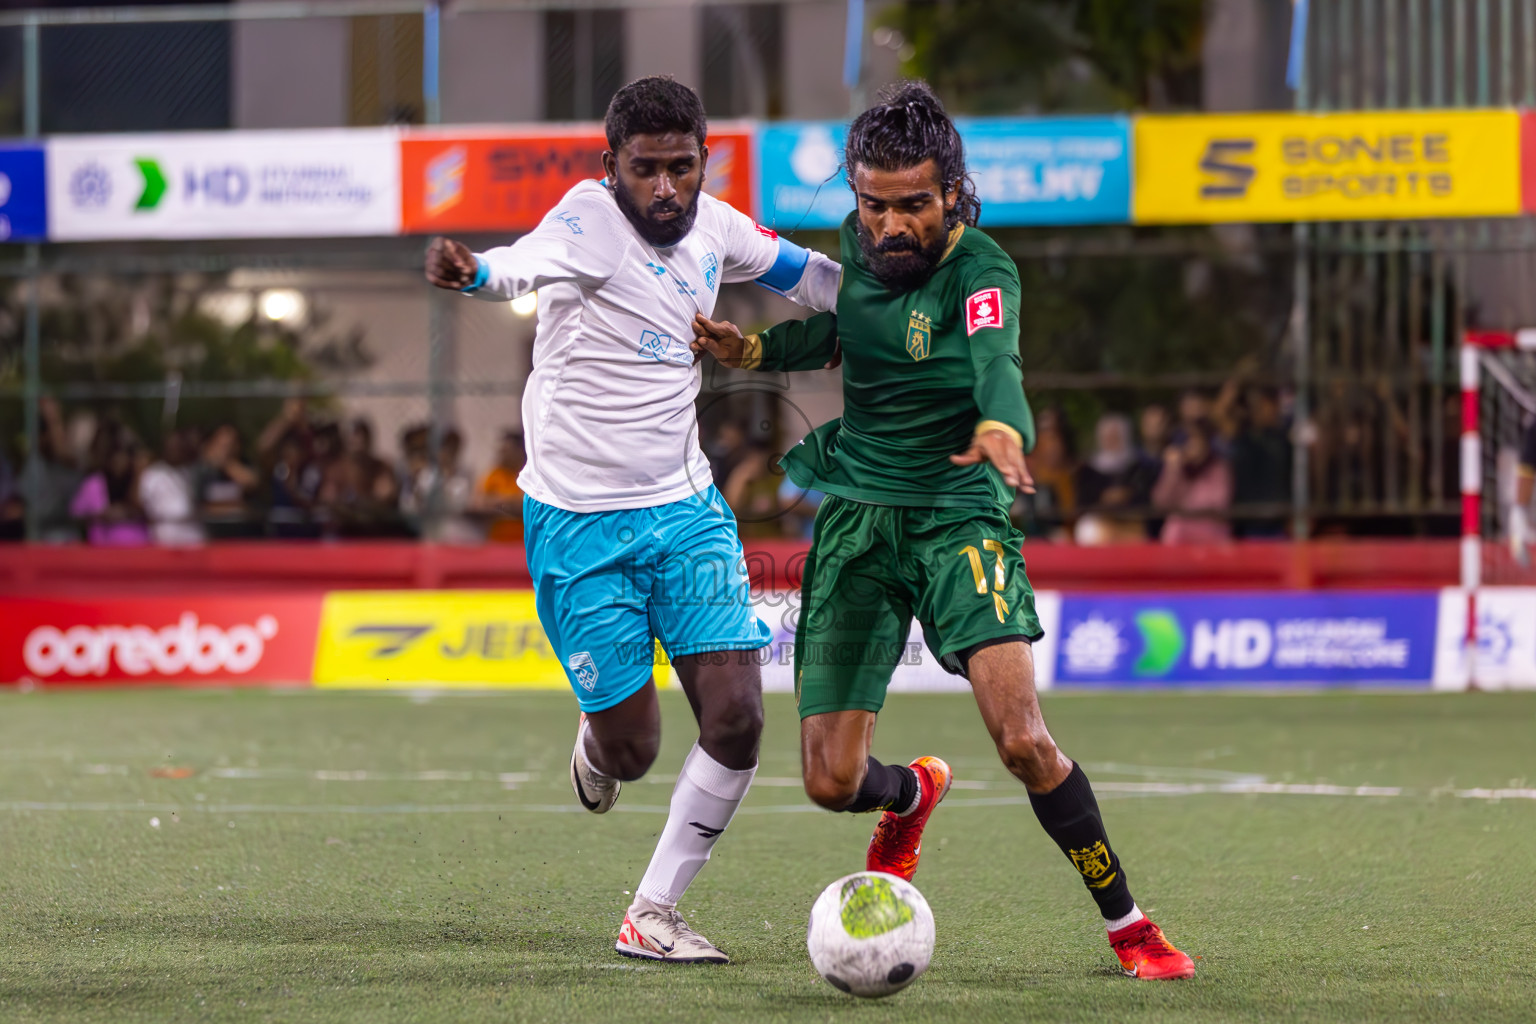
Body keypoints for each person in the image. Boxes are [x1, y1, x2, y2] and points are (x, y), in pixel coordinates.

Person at [691, 81, 1193, 981]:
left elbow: (997, 358)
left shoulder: (983, 270)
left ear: (952, 193)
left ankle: (1130, 925)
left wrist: (1006, 425)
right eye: (873, 206)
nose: (889, 227)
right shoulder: (859, 245)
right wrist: (757, 351)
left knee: (1023, 740)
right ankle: (913, 793)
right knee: (829, 783)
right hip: (854, 527)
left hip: (959, 520)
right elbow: (845, 331)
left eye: (913, 205)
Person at [424, 75, 839, 963]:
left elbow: (809, 277)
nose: (665, 189)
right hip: (578, 527)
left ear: (701, 163)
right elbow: (520, 265)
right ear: (610, 166)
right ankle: (596, 739)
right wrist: (475, 274)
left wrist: (906, 300)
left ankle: (651, 913)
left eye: (681, 169)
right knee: (635, 751)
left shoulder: (717, 225)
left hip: (686, 513)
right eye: (645, 170)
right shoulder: (587, 220)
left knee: (735, 720)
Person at [1074, 412, 1157, 545]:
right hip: (1100, 522)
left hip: (1130, 522)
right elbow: (1081, 503)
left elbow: (1146, 500)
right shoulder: (1088, 470)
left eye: (1115, 437)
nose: (1111, 441)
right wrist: (1104, 499)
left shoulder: (1138, 467)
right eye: (1108, 437)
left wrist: (1126, 495)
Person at [1151, 417, 1233, 545]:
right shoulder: (1176, 468)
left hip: (1211, 536)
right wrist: (1172, 471)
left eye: (1195, 438)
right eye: (1187, 439)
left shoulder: (1218, 467)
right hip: (1179, 538)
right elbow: (1161, 502)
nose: (1190, 444)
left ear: (1206, 442)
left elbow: (1220, 502)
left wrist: (1184, 506)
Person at [139, 430, 204, 547]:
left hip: (191, 535)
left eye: (178, 446)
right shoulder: (153, 473)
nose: (175, 450)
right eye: (171, 446)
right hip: (165, 534)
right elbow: (140, 502)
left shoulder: (188, 472)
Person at [475, 430, 527, 544]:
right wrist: (512, 503)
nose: (501, 453)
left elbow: (526, 504)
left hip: (523, 543)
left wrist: (499, 502)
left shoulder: (528, 475)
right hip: (496, 542)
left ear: (519, 451)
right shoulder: (493, 475)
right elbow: (481, 502)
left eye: (506, 450)